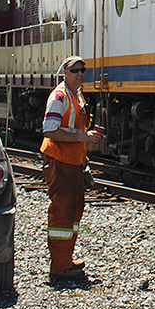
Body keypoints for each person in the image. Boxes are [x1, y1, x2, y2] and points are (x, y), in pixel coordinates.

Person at [41, 55, 103, 279]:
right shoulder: (59, 96)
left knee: (73, 211)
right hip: (61, 161)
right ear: (64, 73)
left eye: (82, 70)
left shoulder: (76, 96)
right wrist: (82, 137)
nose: (79, 74)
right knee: (63, 213)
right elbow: (50, 130)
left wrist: (83, 160)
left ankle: (66, 259)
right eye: (74, 70)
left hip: (73, 162)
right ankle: (59, 265)